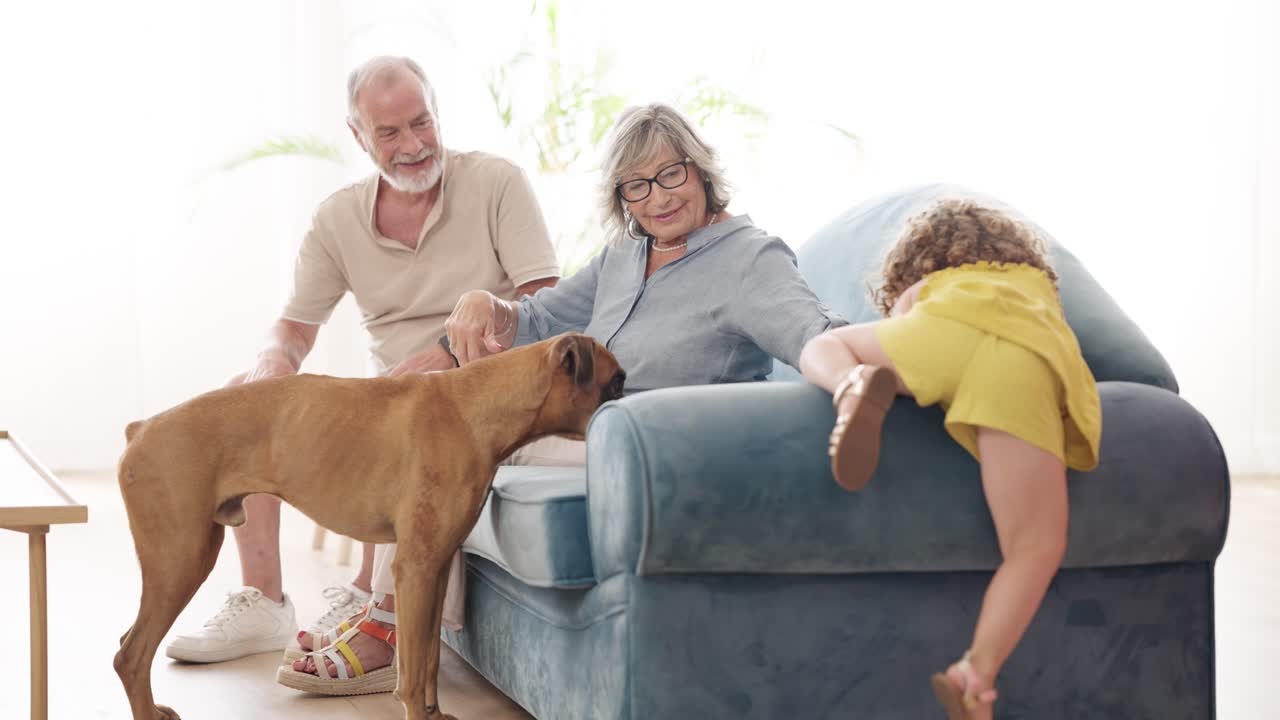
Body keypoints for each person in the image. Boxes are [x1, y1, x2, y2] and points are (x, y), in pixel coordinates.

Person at [285, 101, 846, 689]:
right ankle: (392, 625)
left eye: (671, 174)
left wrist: (897, 344)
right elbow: (538, 319)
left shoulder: (749, 259)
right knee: (440, 428)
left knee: (447, 438)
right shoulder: (629, 255)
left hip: (653, 441)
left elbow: (816, 333)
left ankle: (386, 630)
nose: (658, 198)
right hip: (587, 433)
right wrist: (490, 305)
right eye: (636, 186)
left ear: (700, 168)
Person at [163, 56, 561, 674]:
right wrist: (275, 359)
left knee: (419, 400)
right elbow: (294, 327)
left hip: (485, 387)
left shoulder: (496, 183)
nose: (413, 145)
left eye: (421, 123)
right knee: (246, 394)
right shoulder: (338, 217)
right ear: (358, 135)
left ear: (437, 114)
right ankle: (265, 600)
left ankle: (368, 608)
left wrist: (456, 352)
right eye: (390, 132)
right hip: (391, 396)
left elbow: (547, 305)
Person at [798, 199, 1102, 719]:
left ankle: (850, 389)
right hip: (1022, 362)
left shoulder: (934, 290)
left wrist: (897, 326)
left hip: (941, 336)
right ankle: (975, 676)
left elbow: (891, 324)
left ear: (917, 266)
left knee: (824, 347)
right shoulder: (1031, 290)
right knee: (1033, 548)